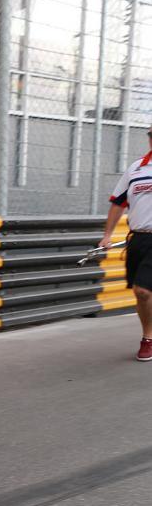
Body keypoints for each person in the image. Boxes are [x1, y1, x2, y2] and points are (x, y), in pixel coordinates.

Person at [101, 124, 152, 361]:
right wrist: (107, 235)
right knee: (141, 293)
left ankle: (147, 340)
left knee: (143, 290)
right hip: (138, 238)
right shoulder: (136, 169)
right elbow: (118, 203)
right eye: (151, 135)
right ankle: (148, 335)